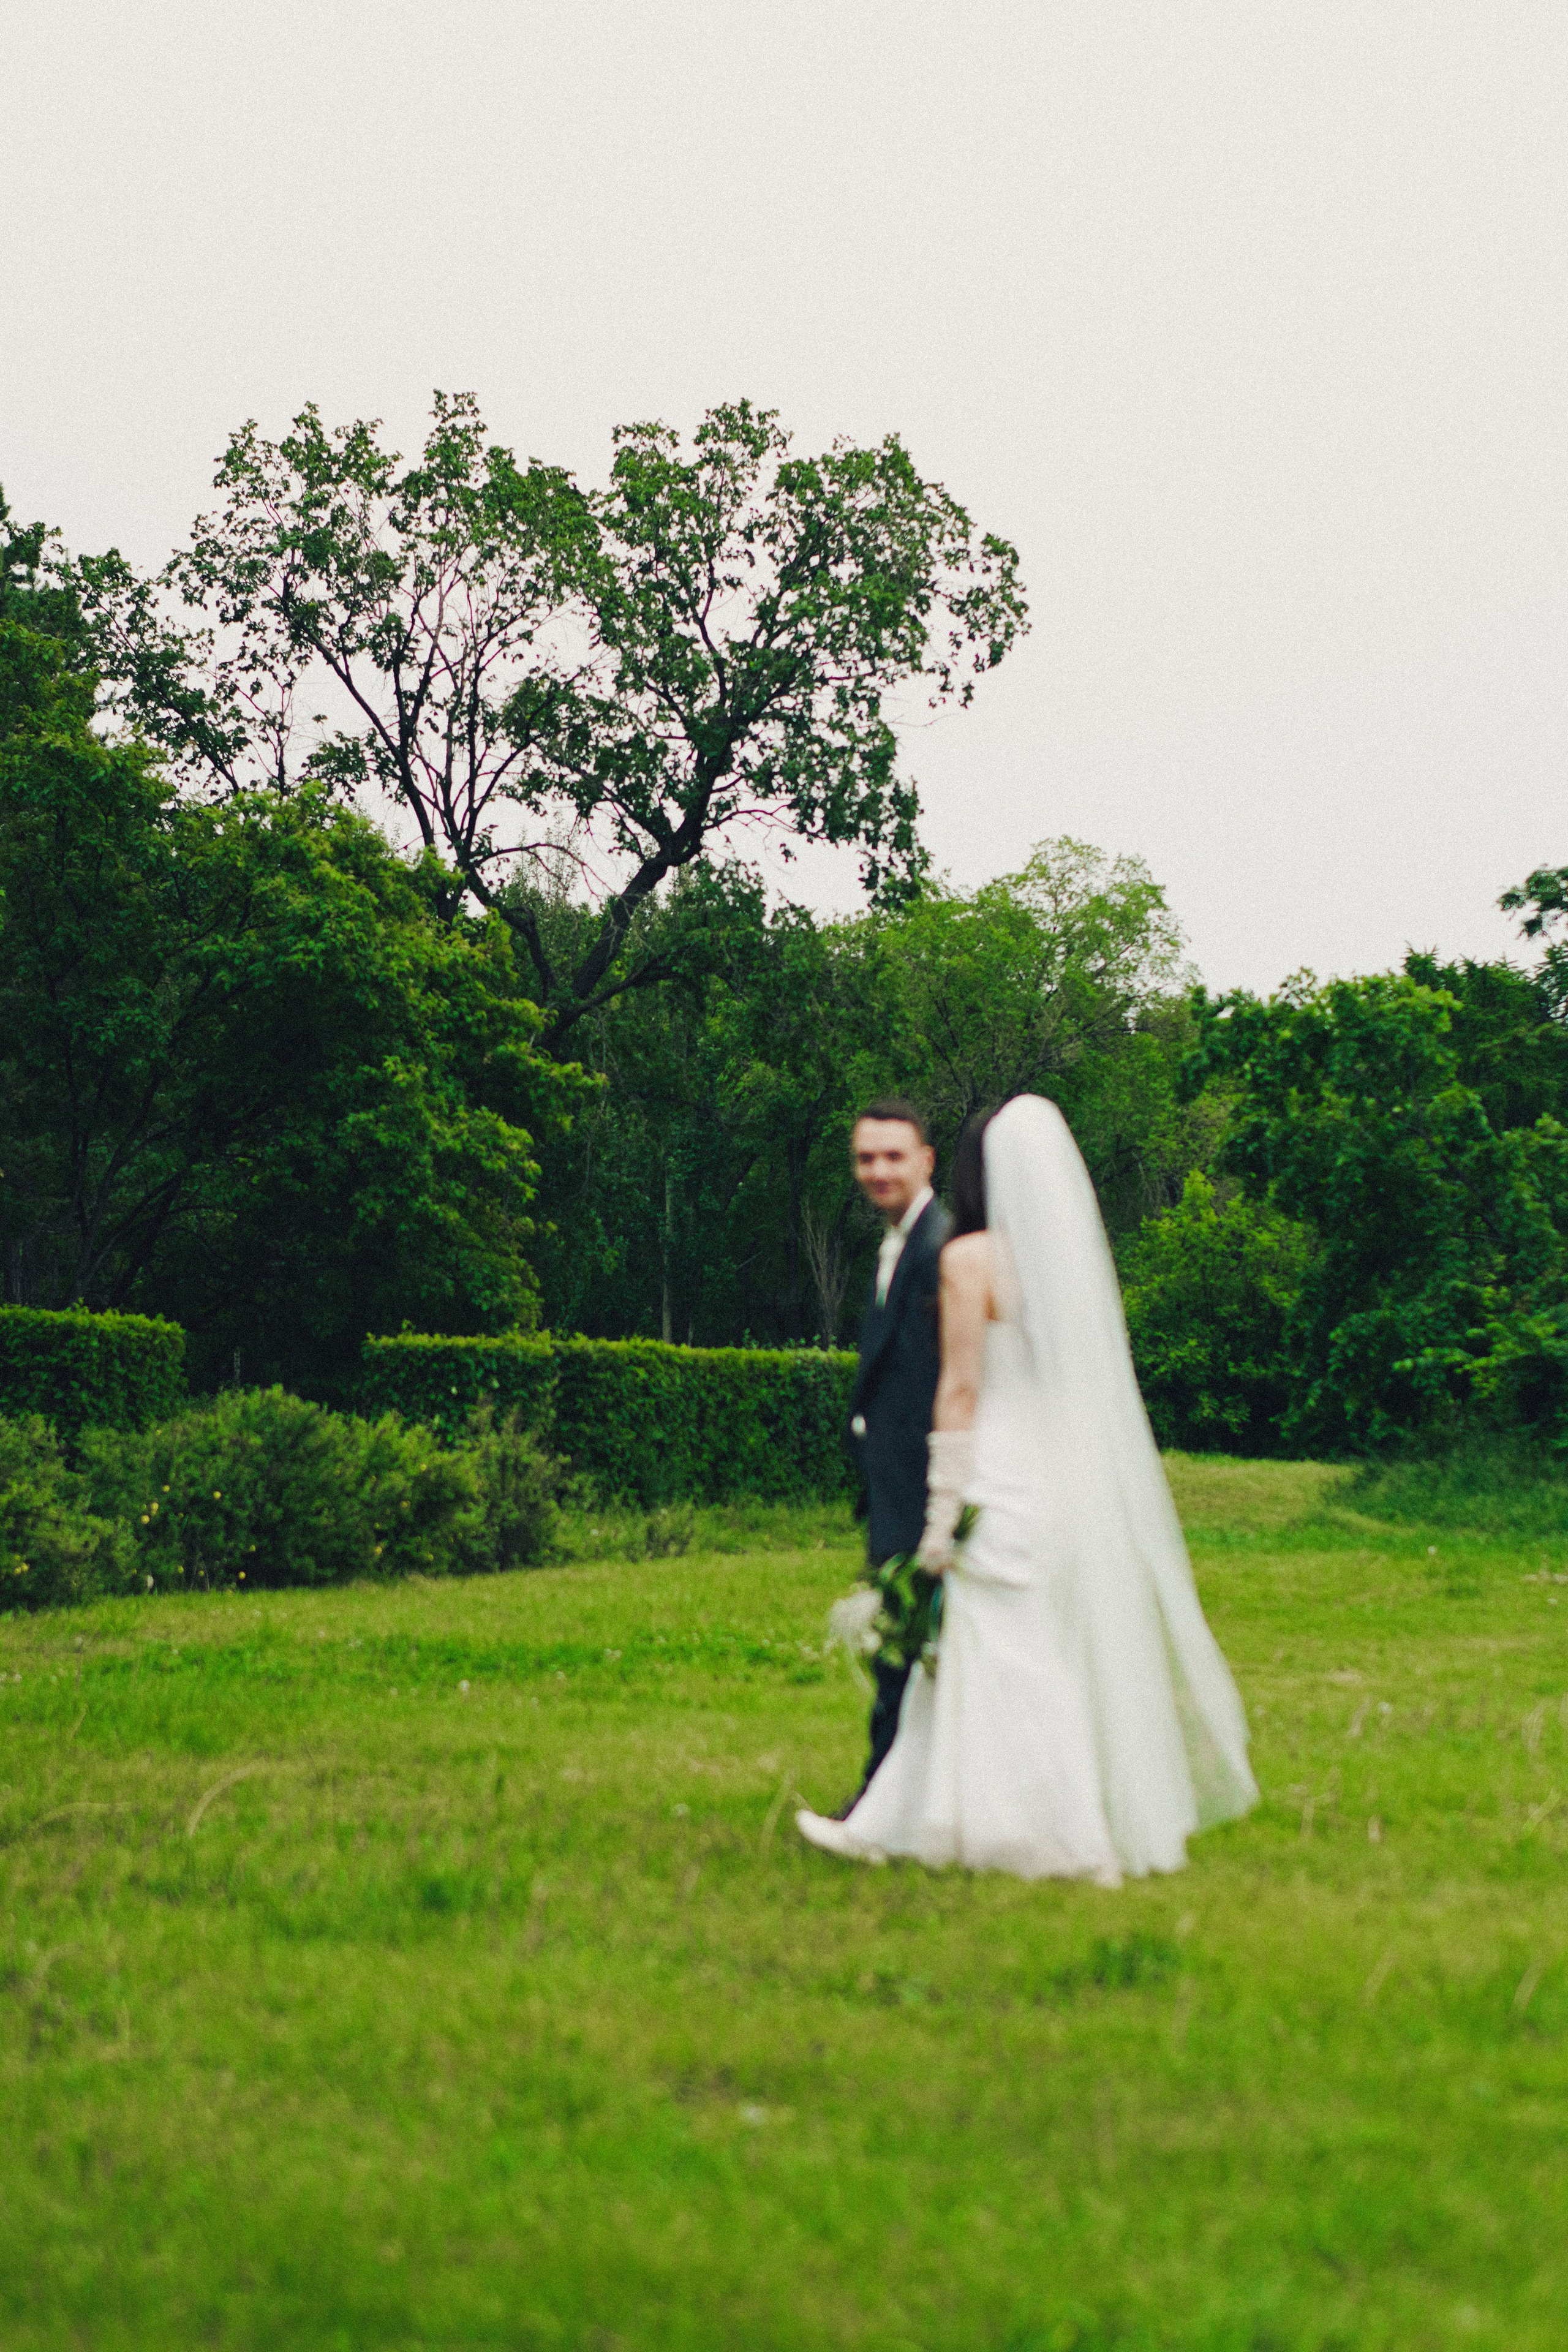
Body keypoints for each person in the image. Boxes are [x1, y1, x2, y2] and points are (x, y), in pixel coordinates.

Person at [800, 1095, 1257, 1881]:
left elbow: (962, 1393)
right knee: (1024, 1651)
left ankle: (1022, 1830)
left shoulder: (967, 1259)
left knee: (987, 1653)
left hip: (993, 1478)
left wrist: (942, 1517)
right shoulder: (1065, 1268)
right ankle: (925, 1818)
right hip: (1052, 1485)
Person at [842, 1099, 952, 1804]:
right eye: (864, 1158)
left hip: (928, 1489)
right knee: (908, 1651)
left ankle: (883, 1803)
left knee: (909, 1653)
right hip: (895, 1485)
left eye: (892, 1157)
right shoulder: (899, 1242)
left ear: (925, 1162)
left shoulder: (940, 1247)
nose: (877, 1171)